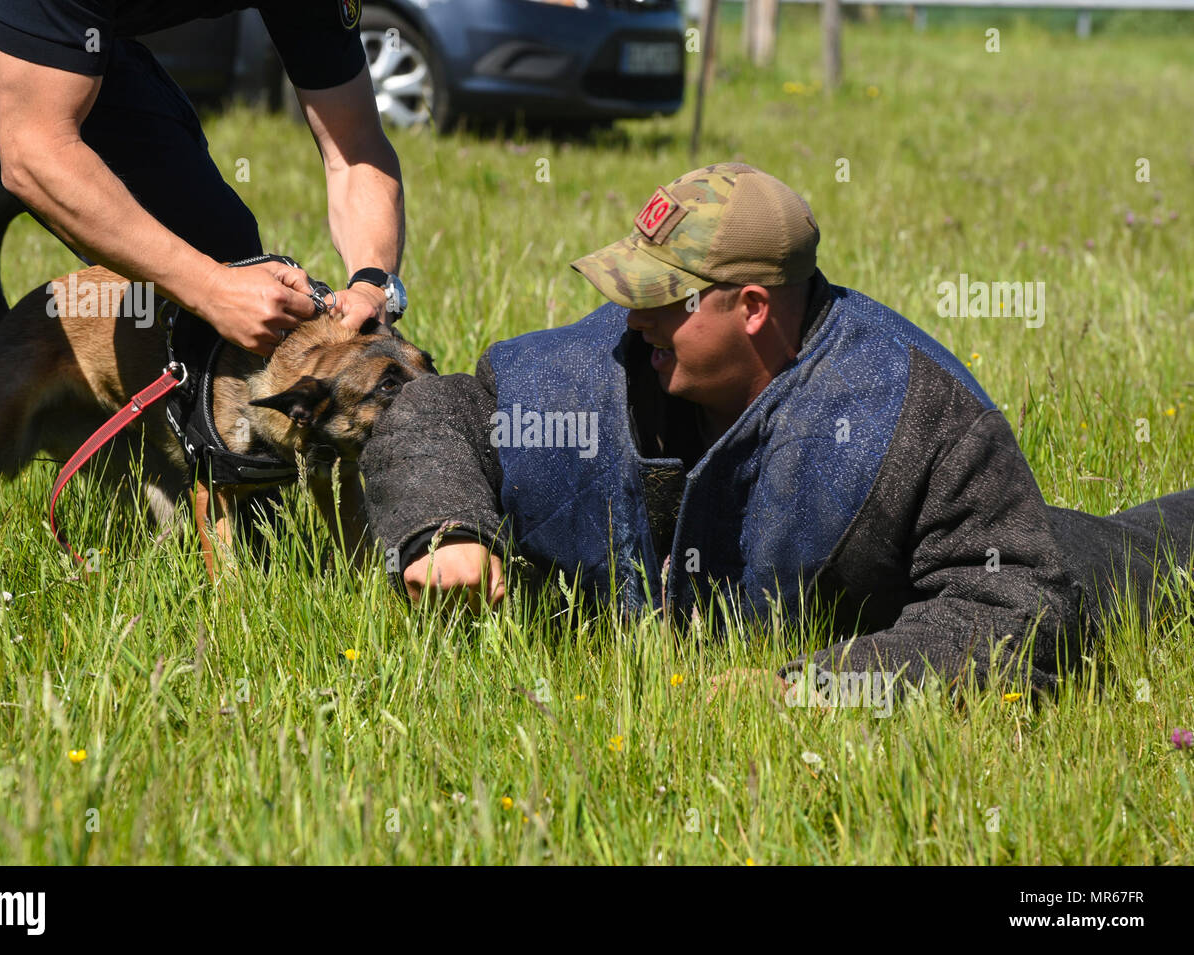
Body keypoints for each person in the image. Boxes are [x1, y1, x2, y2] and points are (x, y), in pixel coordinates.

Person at [361, 162, 1194, 694]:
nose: (633, 317)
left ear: (752, 309)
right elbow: (442, 410)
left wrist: (812, 686)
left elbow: (1016, 600)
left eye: (662, 299)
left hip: (989, 561)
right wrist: (441, 528)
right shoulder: (599, 365)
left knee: (1148, 556)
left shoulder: (916, 416)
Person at [0, 0, 408, 562]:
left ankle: (242, 520)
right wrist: (209, 289)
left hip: (37, 32)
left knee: (217, 237)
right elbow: (35, 155)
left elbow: (355, 147)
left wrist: (371, 283)